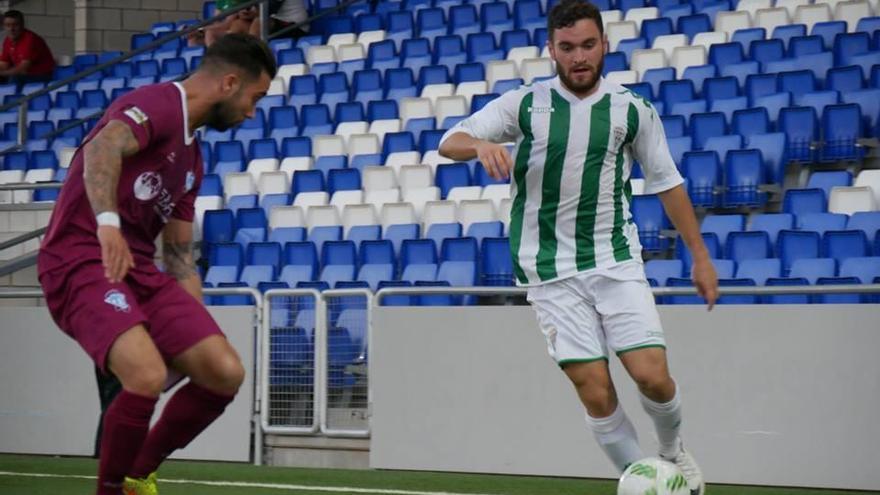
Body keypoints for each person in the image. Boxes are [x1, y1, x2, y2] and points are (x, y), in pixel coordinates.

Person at [438, 1, 718, 492]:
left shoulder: (632, 109)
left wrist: (700, 255)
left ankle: (672, 453)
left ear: (605, 44)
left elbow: (667, 182)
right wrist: (480, 145)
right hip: (549, 272)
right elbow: (449, 140)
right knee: (595, 389)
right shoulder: (525, 103)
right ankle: (646, 481)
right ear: (552, 50)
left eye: (588, 45)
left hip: (614, 260)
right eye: (567, 48)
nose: (579, 57)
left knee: (651, 376)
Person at [37, 33, 275, 495]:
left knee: (222, 370)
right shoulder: (159, 104)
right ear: (229, 82)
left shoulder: (193, 158)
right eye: (254, 97)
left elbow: (180, 258)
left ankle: (135, 477)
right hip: (80, 257)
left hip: (138, 268)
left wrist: (195, 330)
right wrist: (107, 223)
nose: (252, 112)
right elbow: (101, 149)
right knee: (145, 374)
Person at [0, 10, 56, 88]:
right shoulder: (7, 41)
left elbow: (23, 68)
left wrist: (3, 73)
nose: (11, 29)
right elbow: (3, 64)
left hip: (42, 76)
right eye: (8, 25)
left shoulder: (30, 39)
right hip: (24, 76)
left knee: (15, 78)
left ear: (22, 25)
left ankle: (14, 99)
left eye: (15, 25)